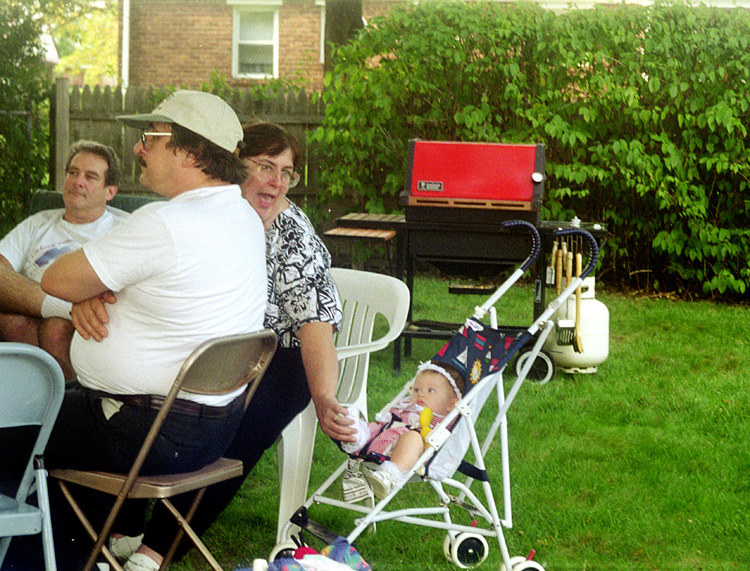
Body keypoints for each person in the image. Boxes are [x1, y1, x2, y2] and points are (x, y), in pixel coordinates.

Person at [71, 121, 353, 570]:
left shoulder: (290, 234)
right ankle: (121, 528)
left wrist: (324, 397)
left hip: (273, 358)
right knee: (139, 407)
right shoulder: (202, 212)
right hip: (190, 350)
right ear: (232, 164)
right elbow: (141, 274)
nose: (277, 181)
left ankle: (155, 549)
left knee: (228, 432)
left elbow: (314, 322)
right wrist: (87, 293)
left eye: (287, 171)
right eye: (265, 166)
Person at [32, 90, 268, 569]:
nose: (138, 148)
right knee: (56, 407)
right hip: (212, 431)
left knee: (14, 419)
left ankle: (39, 556)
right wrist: (88, 295)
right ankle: (85, 548)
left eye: (151, 138)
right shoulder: (242, 216)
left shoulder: (165, 222)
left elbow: (54, 278)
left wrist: (84, 292)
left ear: (192, 152)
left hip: (142, 432)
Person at [0, 140, 128, 380]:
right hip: (40, 309)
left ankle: (62, 403)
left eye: (90, 177)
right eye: (73, 173)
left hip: (92, 322)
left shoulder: (125, 229)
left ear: (110, 191)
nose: (78, 181)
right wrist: (63, 308)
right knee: (18, 321)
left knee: (53, 328)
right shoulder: (39, 223)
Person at [342, 360, 465, 499]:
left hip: (410, 456)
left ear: (451, 404)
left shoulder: (444, 420)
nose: (421, 394)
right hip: (382, 441)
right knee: (366, 426)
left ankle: (390, 474)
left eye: (431, 390)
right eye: (417, 390)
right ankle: (356, 439)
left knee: (413, 437)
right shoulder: (406, 407)